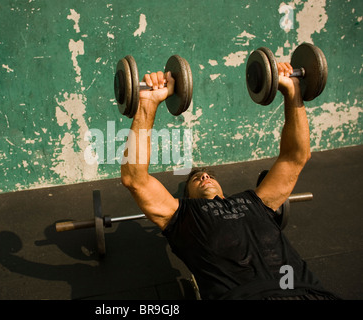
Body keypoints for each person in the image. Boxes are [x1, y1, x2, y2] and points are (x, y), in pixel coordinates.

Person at [120, 62, 340, 300]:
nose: (205, 176)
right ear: (187, 196)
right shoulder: (182, 216)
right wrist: (148, 103)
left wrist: (293, 90)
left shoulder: (257, 202)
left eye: (209, 175)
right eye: (196, 178)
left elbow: (295, 157)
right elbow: (135, 179)